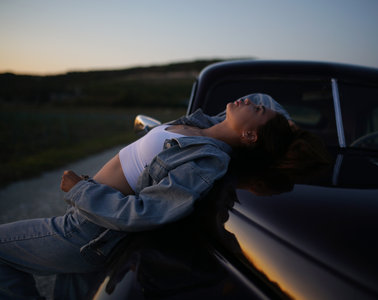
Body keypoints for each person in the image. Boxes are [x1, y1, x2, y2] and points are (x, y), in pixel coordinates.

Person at [0, 93, 293, 299]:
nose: (252, 101)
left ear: (251, 136)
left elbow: (148, 211)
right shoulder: (200, 126)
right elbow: (261, 97)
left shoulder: (207, 160)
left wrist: (80, 189)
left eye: (257, 109)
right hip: (90, 215)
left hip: (89, 230)